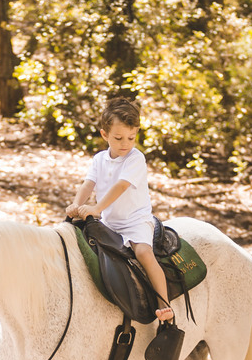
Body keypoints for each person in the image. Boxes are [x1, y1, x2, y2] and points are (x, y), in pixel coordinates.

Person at [66, 97, 174, 322]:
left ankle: (164, 303)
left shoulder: (135, 158)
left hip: (135, 221)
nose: (125, 143)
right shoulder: (99, 159)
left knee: (143, 252)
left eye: (131, 138)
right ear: (104, 134)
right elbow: (88, 184)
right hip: (109, 222)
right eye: (118, 138)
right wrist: (76, 204)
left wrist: (96, 208)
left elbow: (121, 186)